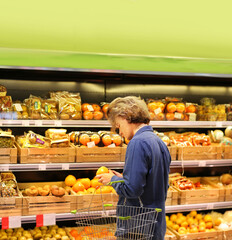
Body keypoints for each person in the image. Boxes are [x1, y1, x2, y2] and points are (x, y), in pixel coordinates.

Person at [96, 96, 171, 240]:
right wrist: (124, 179)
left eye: (118, 125)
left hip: (138, 227)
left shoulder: (137, 143)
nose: (120, 133)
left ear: (125, 116)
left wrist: (111, 179)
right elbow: (159, 185)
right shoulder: (159, 142)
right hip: (155, 225)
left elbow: (132, 190)